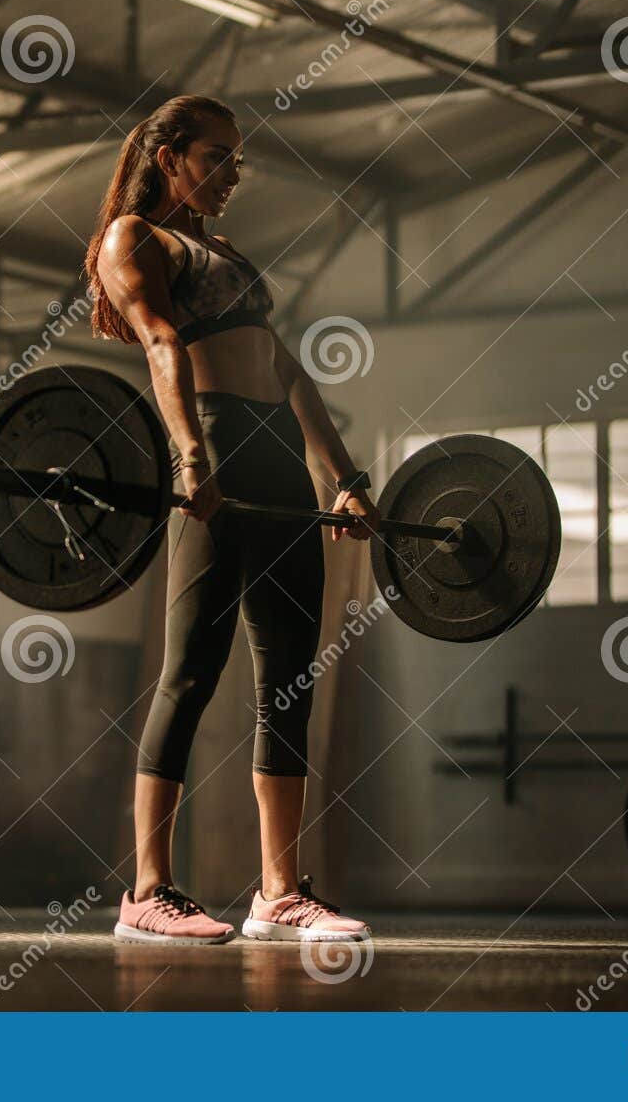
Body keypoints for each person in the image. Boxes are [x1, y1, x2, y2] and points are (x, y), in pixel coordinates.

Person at [86, 95, 378, 945]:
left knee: (290, 673)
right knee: (191, 670)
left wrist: (346, 479)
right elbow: (162, 346)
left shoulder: (229, 253)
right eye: (216, 157)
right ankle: (147, 891)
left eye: (238, 161)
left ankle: (279, 893)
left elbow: (287, 369)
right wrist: (188, 455)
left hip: (278, 454)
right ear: (169, 155)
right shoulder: (133, 239)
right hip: (212, 440)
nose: (231, 174)